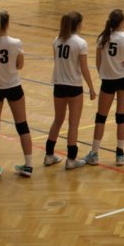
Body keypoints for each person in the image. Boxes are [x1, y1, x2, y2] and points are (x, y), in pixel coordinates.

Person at [85, 9, 124, 166]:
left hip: (108, 81)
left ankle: (94, 153)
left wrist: (104, 74)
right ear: (122, 22)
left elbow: (98, 62)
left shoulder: (102, 38)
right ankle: (120, 155)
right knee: (121, 116)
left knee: (101, 117)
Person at [0, 9, 32, 180]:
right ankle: (28, 165)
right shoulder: (16, 43)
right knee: (22, 125)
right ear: (7, 23)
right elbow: (20, 65)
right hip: (13, 86)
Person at [46, 12, 96, 170]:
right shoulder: (80, 43)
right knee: (73, 124)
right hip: (74, 86)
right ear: (78, 24)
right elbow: (84, 68)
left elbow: (57, 61)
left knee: (57, 120)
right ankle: (71, 159)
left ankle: (49, 155)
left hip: (58, 85)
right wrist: (91, 87)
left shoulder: (56, 40)